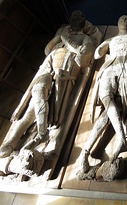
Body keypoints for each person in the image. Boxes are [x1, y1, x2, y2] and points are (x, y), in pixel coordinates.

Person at [0, 11, 94, 159]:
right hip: (48, 66)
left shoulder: (86, 39)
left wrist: (67, 41)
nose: (76, 18)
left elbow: (82, 59)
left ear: (85, 25)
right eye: (75, 16)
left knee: (41, 107)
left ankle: (41, 134)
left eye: (80, 17)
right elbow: (47, 51)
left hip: (64, 72)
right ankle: (14, 140)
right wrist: (58, 38)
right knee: (36, 95)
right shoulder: (61, 36)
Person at [77, 15, 127, 176]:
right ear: (117, 24)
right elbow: (97, 54)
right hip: (110, 67)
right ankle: (122, 140)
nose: (125, 19)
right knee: (106, 98)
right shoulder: (111, 40)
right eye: (122, 18)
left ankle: (86, 152)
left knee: (111, 111)